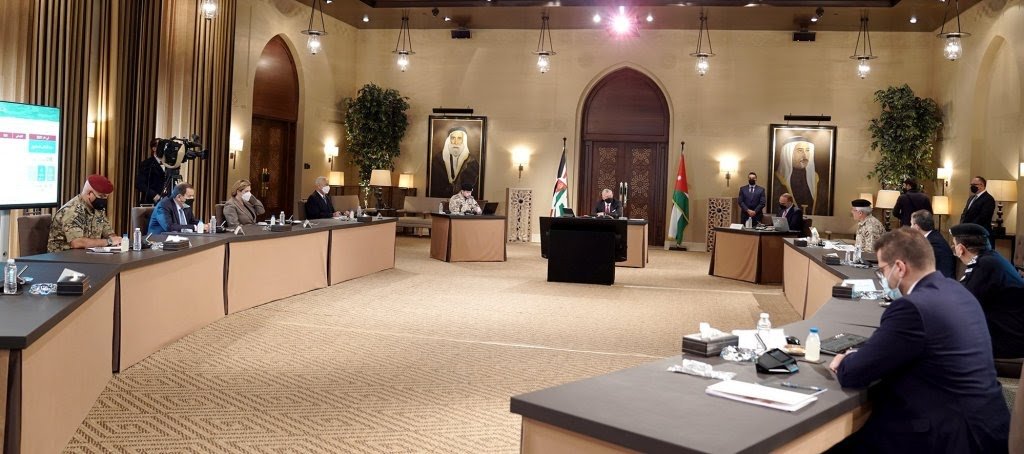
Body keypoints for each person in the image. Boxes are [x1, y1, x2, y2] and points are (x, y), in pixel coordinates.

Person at [828, 228, 1010, 453]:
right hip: (990, 428)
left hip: (946, 437)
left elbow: (854, 373)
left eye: (882, 270)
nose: (883, 277)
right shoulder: (959, 292)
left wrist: (846, 360)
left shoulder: (911, 308)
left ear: (899, 268)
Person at [951, 222, 1024, 359]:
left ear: (960, 249)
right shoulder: (992, 258)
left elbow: (963, 301)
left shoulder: (983, 265)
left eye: (954, 245)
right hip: (1012, 331)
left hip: (1008, 339)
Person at [47, 175, 122, 252]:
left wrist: (116, 241)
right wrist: (109, 241)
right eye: (100, 196)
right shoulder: (72, 210)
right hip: (63, 256)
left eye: (105, 197)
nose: (103, 200)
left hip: (87, 255)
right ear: (89, 193)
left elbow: (108, 233)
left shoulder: (98, 209)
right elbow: (77, 243)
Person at [773, 136, 829, 215]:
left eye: (807, 150)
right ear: (788, 154)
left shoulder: (818, 180)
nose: (805, 156)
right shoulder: (777, 180)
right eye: (800, 150)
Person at [430, 127, 480, 198]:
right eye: (453, 138)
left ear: (463, 140)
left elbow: (473, 187)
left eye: (459, 138)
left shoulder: (472, 162)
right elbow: (435, 185)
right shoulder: (438, 160)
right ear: (449, 140)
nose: (456, 142)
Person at [909, 210, 955, 278]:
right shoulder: (933, 236)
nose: (910, 227)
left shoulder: (934, 243)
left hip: (940, 282)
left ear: (916, 227)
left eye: (911, 224)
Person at [135, 138, 166, 205]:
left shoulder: (170, 164)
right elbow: (140, 184)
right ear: (154, 148)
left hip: (167, 202)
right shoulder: (147, 164)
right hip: (151, 202)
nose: (164, 149)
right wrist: (154, 195)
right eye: (161, 146)